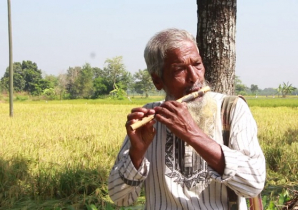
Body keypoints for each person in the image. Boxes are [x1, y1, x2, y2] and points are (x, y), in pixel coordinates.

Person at [108, 28, 266, 210]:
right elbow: (120, 199)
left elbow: (254, 184)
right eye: (179, 70)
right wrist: (137, 153)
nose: (194, 77)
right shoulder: (148, 118)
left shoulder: (231, 109)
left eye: (197, 64)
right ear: (157, 81)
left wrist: (192, 134)